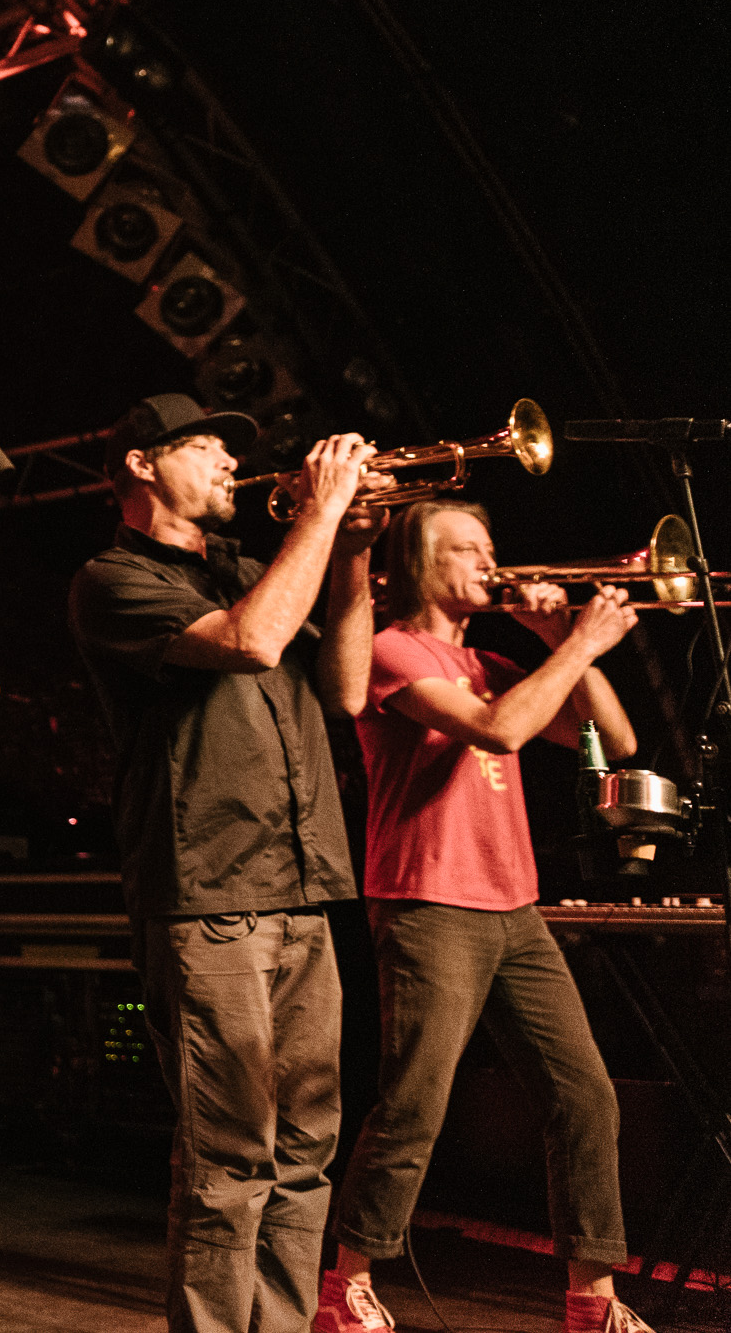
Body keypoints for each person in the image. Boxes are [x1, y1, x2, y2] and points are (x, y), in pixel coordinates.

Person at [68, 393, 388, 1333]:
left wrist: (353, 551)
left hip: (306, 885)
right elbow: (251, 641)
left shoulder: (253, 568)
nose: (226, 463)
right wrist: (321, 515)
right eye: (203, 445)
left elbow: (348, 689)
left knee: (307, 1151)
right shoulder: (112, 579)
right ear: (141, 465)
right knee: (231, 1155)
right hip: (210, 896)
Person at [318, 501, 649, 1333]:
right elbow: (499, 731)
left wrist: (559, 640)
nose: (486, 560)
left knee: (586, 1096)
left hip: (514, 905)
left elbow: (615, 738)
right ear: (418, 564)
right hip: (428, 901)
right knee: (414, 1104)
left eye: (488, 546)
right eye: (465, 547)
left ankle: (593, 1300)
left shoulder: (493, 661)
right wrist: (578, 643)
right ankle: (346, 1284)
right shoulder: (393, 650)